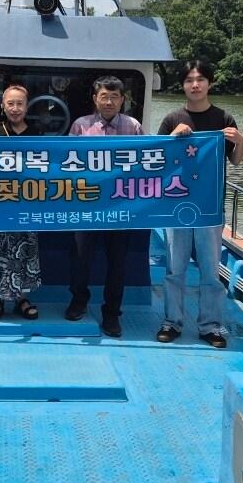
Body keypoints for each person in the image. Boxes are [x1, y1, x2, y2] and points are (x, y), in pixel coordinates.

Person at [156, 60, 243, 349]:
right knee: (174, 268)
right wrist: (172, 139)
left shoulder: (224, 119)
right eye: (189, 80)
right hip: (176, 206)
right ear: (182, 85)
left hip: (209, 207)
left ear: (209, 83)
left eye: (200, 79)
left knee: (210, 270)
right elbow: (156, 159)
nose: (195, 85)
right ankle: (172, 321)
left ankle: (211, 326)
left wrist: (240, 140)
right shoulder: (172, 119)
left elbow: (236, 159)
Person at [66, 75, 143, 338]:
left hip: (120, 208)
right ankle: (78, 301)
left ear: (123, 99)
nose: (109, 102)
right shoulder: (80, 126)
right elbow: (67, 165)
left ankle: (112, 314)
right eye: (104, 96)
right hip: (86, 206)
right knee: (80, 258)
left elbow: (145, 164)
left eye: (114, 97)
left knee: (117, 263)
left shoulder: (133, 127)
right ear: (95, 98)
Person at [0, 82, 42, 322]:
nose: (15, 108)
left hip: (27, 202)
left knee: (25, 249)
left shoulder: (36, 134)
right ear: (3, 106)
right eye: (10, 103)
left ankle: (21, 297)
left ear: (27, 107)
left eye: (20, 103)